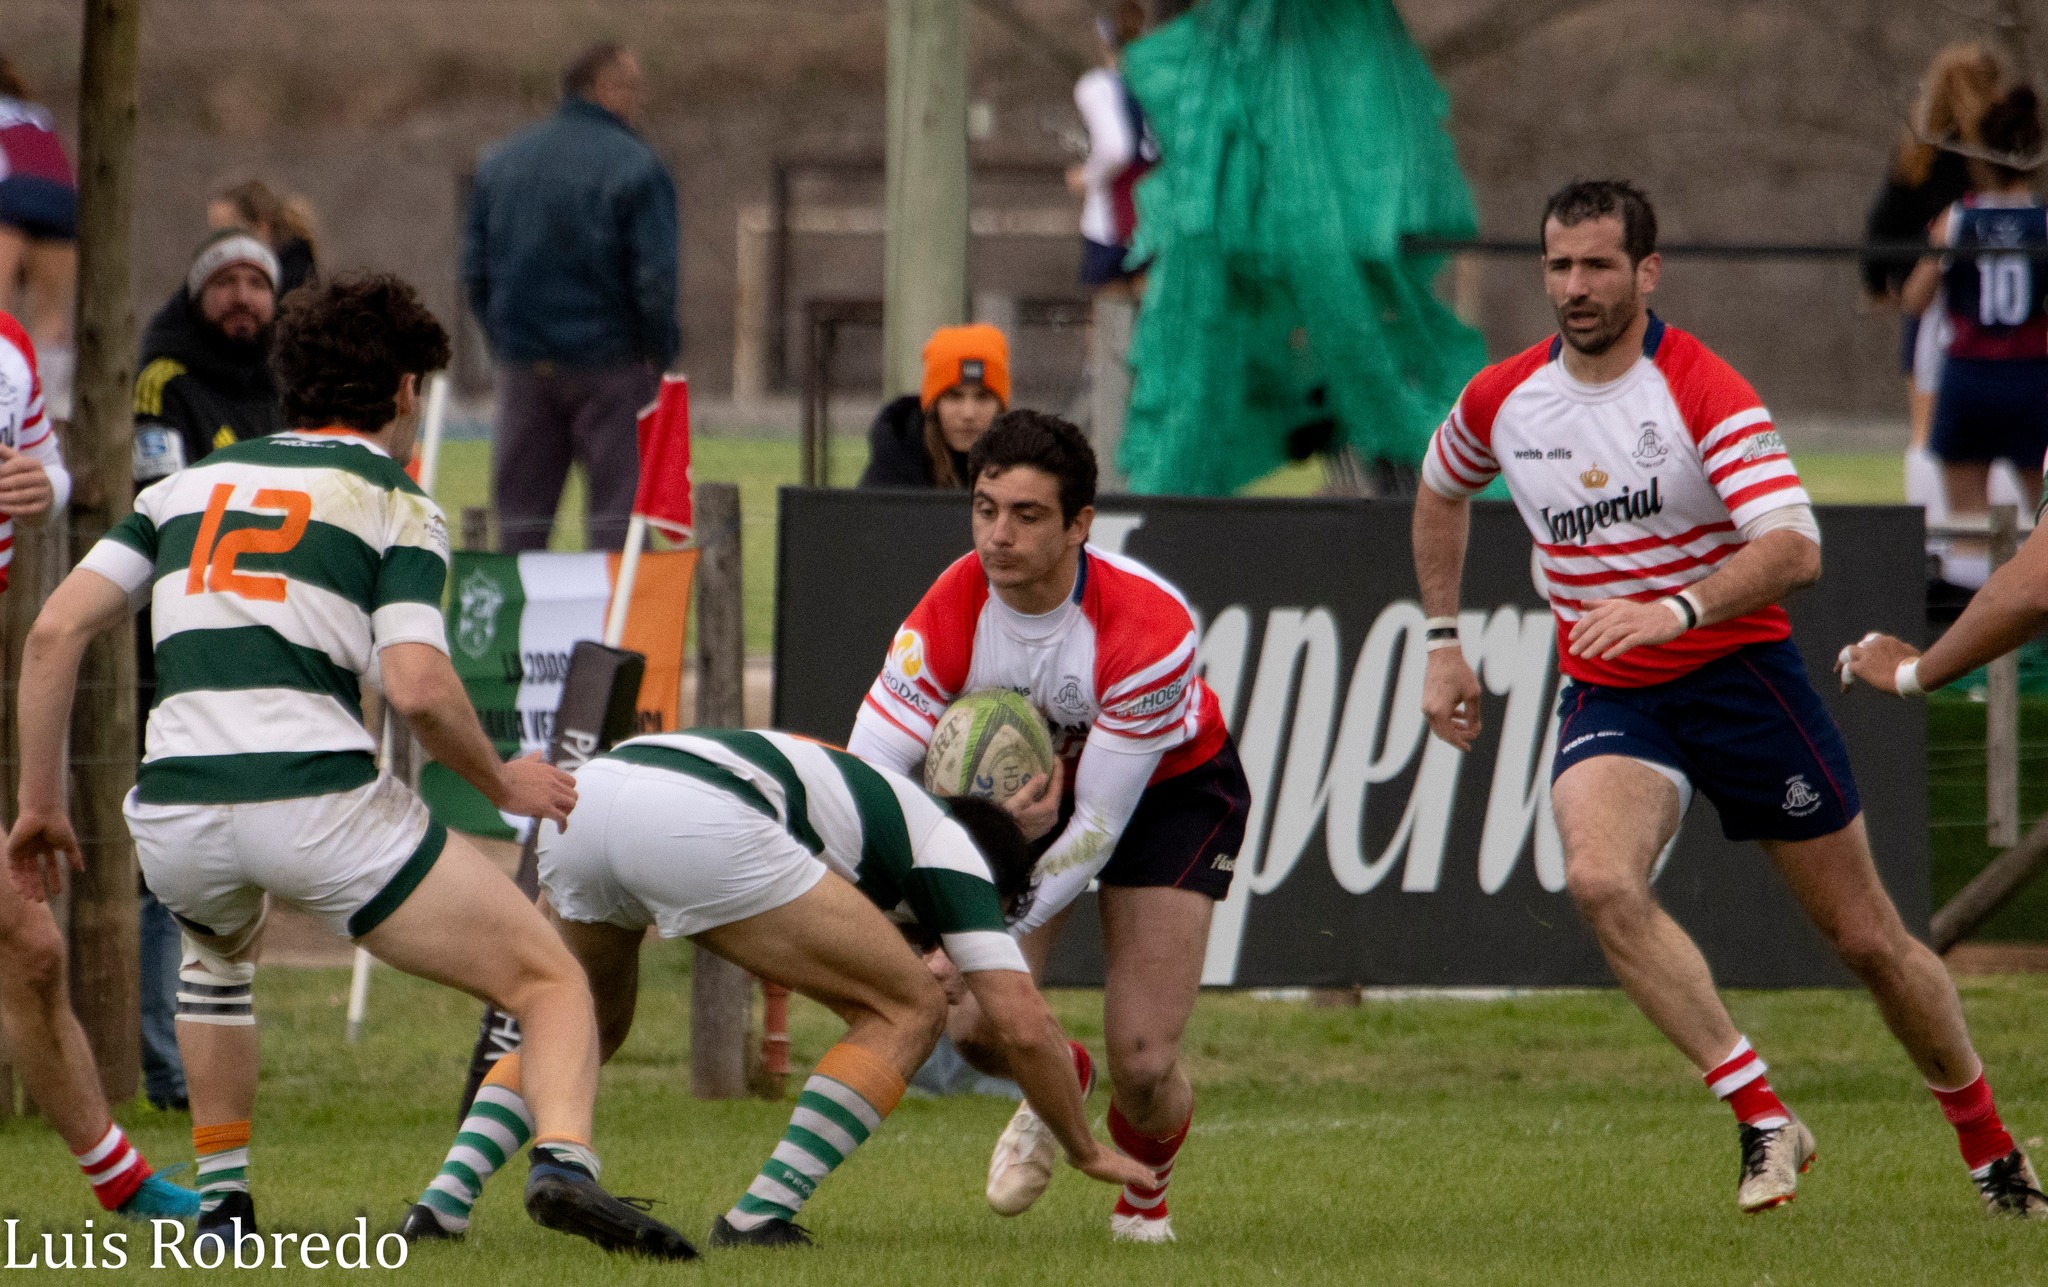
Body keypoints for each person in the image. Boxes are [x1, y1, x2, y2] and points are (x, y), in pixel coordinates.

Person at [4, 272, 698, 1259]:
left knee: (213, 967)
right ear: (407, 391)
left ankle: (226, 1207)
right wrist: (504, 780)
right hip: (314, 804)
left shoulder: (182, 489)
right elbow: (416, 685)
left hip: (177, 812)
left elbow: (53, 633)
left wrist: (38, 802)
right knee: (550, 978)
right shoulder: (392, 499)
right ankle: (563, 1166)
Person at [1412, 178, 2044, 1219]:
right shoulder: (1502, 398)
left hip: (1740, 682)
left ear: (1647, 272)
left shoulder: (1700, 388)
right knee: (1598, 878)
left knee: (1867, 940)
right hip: (1613, 691)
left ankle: (1990, 1151)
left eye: (1598, 265)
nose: (1574, 286)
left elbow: (1795, 547)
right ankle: (1760, 1113)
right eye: (1559, 266)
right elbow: (1441, 484)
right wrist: (1442, 642)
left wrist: (1674, 609)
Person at [398, 728, 1155, 1247]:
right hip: (695, 819)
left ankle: (441, 1206)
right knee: (909, 1008)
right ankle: (760, 1216)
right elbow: (1023, 1024)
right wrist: (1083, 1146)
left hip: (586, 797)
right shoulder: (953, 855)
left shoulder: (884, 819)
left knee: (581, 1024)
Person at [847, 410, 1249, 1243]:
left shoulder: (1148, 629)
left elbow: (1098, 823)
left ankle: (1143, 1205)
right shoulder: (948, 608)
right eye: (986, 508)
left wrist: (969, 935)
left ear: (1079, 524)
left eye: (1027, 515)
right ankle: (1061, 1072)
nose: (998, 535)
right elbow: (867, 779)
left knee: (1144, 1058)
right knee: (976, 1026)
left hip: (1168, 792)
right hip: (1029, 803)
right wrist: (913, 916)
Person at [0, 308, 191, 1221]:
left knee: (31, 949)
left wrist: (47, 483)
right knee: (28, 942)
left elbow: (51, 471)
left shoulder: (11, 348)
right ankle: (123, 1181)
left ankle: (120, 1180)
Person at [127, 228, 290, 1112]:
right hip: (179, 645)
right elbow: (164, 505)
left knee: (243, 850)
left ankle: (211, 1051)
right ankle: (167, 1065)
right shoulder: (165, 379)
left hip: (267, 643)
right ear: (197, 295)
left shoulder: (282, 382)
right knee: (175, 847)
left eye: (257, 283)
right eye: (225, 281)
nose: (242, 298)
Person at [464, 41, 678, 554]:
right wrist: (657, 350)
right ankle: (614, 610)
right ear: (606, 88)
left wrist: (506, 343)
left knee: (520, 523)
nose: (640, 99)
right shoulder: (636, 167)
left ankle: (516, 610)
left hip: (526, 368)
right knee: (619, 527)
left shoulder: (500, 163)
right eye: (634, 87)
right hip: (612, 367)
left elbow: (474, 272)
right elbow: (654, 277)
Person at [1901, 85, 2048, 588]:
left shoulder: (1957, 219)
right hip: (2032, 380)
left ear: (1980, 156)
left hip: (1970, 380)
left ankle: (1968, 622)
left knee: (1968, 524)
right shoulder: (2043, 222)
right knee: (2042, 519)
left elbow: (1915, 298)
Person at [1863, 42, 2001, 513]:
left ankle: (1936, 531)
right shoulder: (1991, 162)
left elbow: (1880, 227)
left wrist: (1880, 284)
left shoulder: (1918, 156)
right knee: (1989, 437)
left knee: (1926, 430)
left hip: (1930, 309)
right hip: (1978, 312)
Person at [0, 55, 76, 420]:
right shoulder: (37, 115)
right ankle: (48, 408)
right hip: (63, 198)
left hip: (9, 191)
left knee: (1, 309)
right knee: (50, 310)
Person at [1069, 3, 1155, 299]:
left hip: (1113, 223)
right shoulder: (1159, 82)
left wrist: (1085, 176)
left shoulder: (1097, 87)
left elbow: (1116, 149)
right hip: (1156, 215)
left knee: (1110, 312)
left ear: (1103, 39)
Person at [859, 324, 1009, 489]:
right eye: (954, 397)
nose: (968, 413)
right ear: (934, 405)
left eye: (983, 397)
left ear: (1000, 407)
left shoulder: (1022, 468)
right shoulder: (891, 471)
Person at [207, 178, 320, 297]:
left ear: (261, 227)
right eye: (216, 234)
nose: (219, 244)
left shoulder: (292, 282)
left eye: (229, 233)